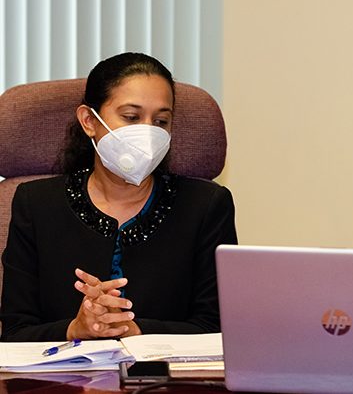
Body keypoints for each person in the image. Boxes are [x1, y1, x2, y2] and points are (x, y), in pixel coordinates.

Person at [0, 53, 237, 341]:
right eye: (131, 117)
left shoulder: (207, 205)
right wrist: (75, 329)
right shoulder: (35, 203)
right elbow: (15, 331)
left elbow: (217, 326)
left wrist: (134, 330)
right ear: (89, 121)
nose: (148, 133)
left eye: (161, 121)